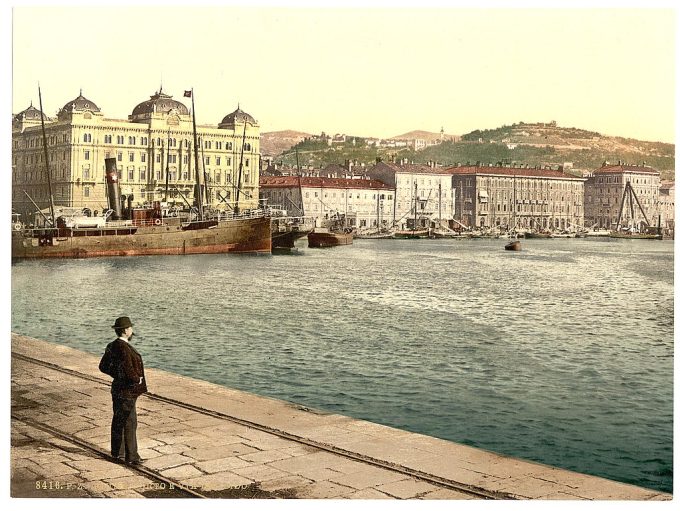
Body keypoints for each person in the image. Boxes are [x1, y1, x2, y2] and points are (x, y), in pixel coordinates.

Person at [98, 316, 147, 465]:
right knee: (130, 421)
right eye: (130, 328)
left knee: (118, 419)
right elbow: (128, 369)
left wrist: (117, 375)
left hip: (117, 389)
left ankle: (117, 452)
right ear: (126, 331)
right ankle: (132, 456)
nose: (132, 330)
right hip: (128, 391)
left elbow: (103, 366)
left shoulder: (112, 345)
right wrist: (136, 379)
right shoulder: (125, 348)